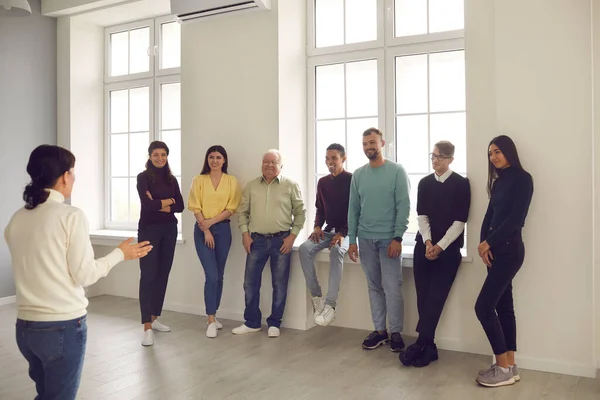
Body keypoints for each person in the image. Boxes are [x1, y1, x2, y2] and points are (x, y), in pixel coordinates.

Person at [4, 145, 152, 400]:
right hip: (61, 327)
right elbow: (84, 275)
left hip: (25, 329)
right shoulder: (70, 216)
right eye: (73, 171)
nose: (74, 177)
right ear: (64, 176)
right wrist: (120, 254)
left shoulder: (17, 218)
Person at [399, 141, 471, 368]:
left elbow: (459, 222)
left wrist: (440, 246)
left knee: (436, 298)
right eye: (433, 156)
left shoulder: (461, 184)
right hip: (424, 247)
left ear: (451, 159)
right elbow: (422, 217)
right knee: (423, 297)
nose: (435, 160)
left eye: (440, 156)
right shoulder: (425, 183)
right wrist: (429, 242)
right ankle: (429, 348)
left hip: (448, 251)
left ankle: (421, 343)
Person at [474, 135, 533, 387]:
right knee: (503, 307)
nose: (493, 157)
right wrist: (482, 244)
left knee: (483, 307)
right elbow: (489, 216)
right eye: (490, 153)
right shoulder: (498, 182)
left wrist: (489, 242)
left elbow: (515, 220)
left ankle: (501, 368)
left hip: (510, 251)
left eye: (497, 151)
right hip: (495, 252)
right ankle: (510, 365)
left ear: (509, 151)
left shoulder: (523, 179)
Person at [348, 127, 411, 353]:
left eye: (372, 142)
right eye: (365, 144)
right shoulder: (358, 175)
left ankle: (395, 332)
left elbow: (404, 206)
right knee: (374, 286)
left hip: (389, 240)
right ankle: (380, 331)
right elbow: (353, 210)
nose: (369, 147)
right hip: (365, 240)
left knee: (392, 287)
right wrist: (352, 240)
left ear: (382, 143)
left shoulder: (396, 171)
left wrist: (397, 237)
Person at [232, 149, 306, 338]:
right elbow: (242, 213)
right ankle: (252, 322)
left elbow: (300, 213)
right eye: (266, 162)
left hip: (281, 240)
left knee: (279, 284)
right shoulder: (251, 186)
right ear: (261, 164)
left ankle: (275, 323)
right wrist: (245, 234)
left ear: (281, 165)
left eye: (274, 162)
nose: (269, 165)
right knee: (250, 283)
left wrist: (292, 237)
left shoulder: (291, 185)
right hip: (255, 240)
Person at [188, 145, 241, 338]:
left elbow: (232, 207)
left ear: (224, 160)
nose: (215, 160)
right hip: (203, 231)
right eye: (211, 157)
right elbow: (195, 206)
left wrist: (213, 222)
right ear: (207, 159)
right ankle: (210, 319)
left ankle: (214, 313)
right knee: (211, 275)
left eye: (219, 157)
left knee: (219, 274)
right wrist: (207, 228)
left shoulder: (231, 181)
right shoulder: (199, 180)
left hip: (224, 230)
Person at [136, 141, 184, 346]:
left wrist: (162, 203)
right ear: (149, 156)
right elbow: (148, 205)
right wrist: (169, 201)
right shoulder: (143, 177)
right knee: (148, 275)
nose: (160, 158)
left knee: (163, 273)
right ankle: (146, 326)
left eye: (163, 154)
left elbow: (180, 205)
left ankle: (155, 318)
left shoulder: (172, 179)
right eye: (156, 154)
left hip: (169, 230)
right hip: (149, 229)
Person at [298, 143, 351, 326]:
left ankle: (330, 306)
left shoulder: (352, 180)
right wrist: (317, 226)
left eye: (334, 158)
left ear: (343, 159)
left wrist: (343, 233)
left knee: (336, 251)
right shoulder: (323, 182)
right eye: (327, 159)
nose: (330, 162)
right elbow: (320, 209)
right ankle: (317, 296)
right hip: (328, 231)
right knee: (304, 249)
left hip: (349, 232)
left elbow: (356, 212)